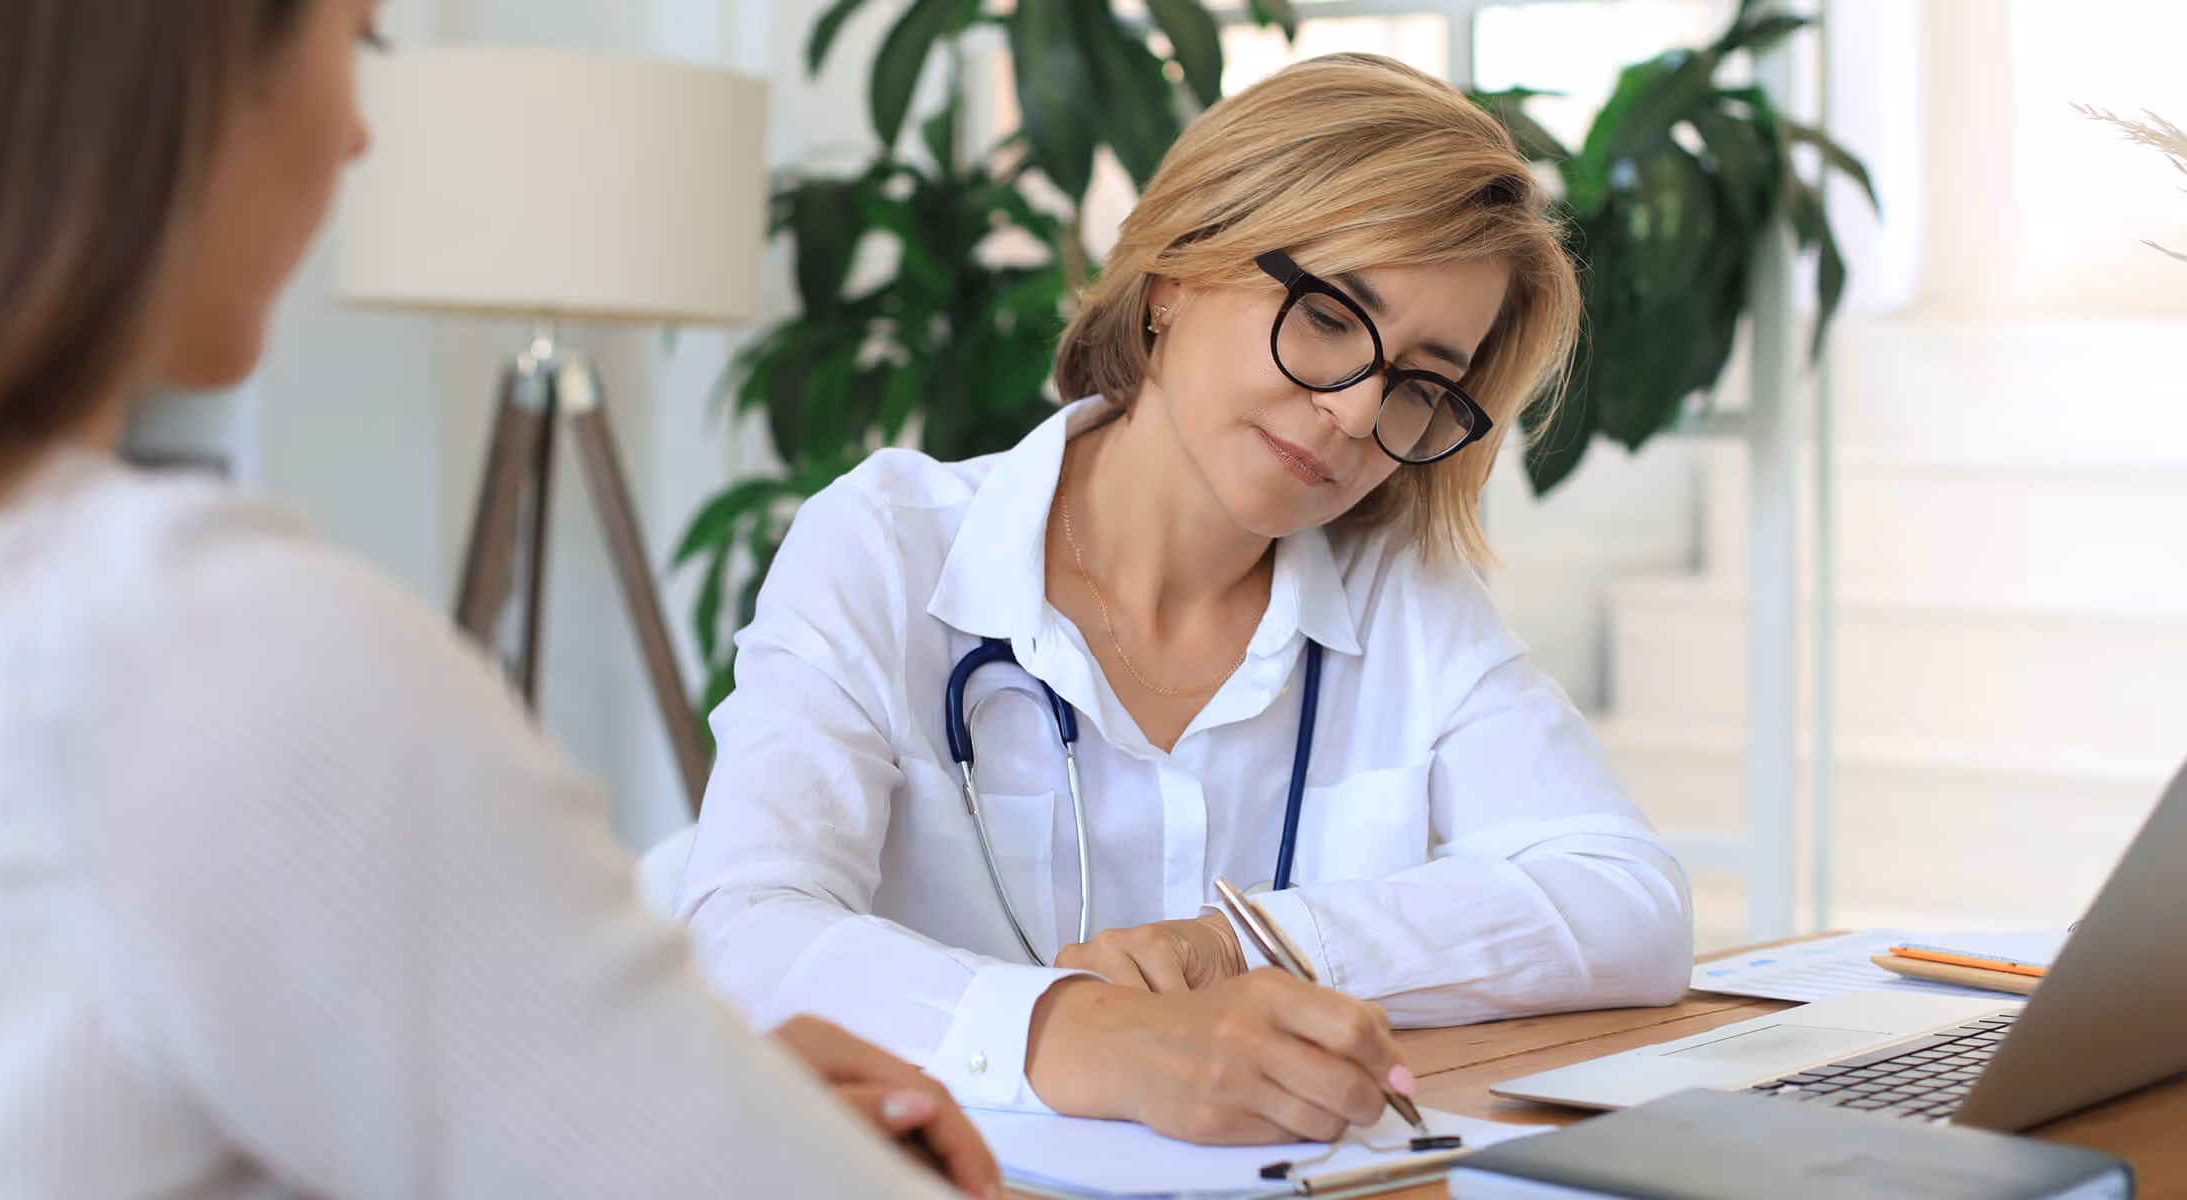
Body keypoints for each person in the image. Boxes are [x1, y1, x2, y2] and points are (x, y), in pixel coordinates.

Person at [0, 2, 997, 1196]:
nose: (363, 137)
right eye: (358, 44)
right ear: (190, 76)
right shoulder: (199, 649)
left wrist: (659, 1098)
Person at [677, 52, 1694, 1147]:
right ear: (1174, 275)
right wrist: (1086, 1035)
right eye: (1326, 318)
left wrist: (1247, 945)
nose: (1357, 415)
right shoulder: (888, 547)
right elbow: (744, 933)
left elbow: (1629, 906)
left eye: (1418, 382)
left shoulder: (1399, 595)